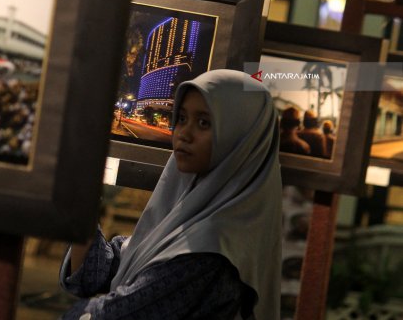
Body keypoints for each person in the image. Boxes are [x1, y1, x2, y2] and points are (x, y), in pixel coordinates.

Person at [58, 69, 282, 319]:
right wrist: (84, 197)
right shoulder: (187, 213)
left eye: (204, 123)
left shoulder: (209, 251)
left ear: (241, 139)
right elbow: (100, 272)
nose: (183, 134)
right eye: (183, 118)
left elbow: (113, 315)